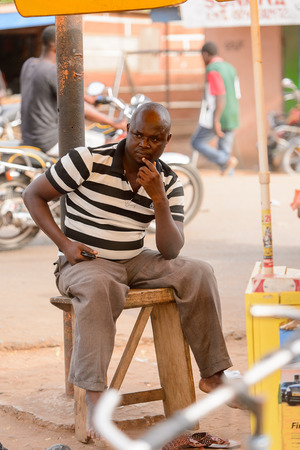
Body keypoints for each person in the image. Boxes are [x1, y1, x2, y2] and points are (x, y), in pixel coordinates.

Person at [23, 102, 237, 440]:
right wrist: (64, 244)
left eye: (154, 139)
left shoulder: (167, 179)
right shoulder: (87, 160)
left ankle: (214, 374)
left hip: (135, 259)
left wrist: (159, 199)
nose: (143, 145)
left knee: (198, 272)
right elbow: (33, 194)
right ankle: (96, 402)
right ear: (127, 129)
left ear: (167, 140)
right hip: (86, 262)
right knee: (98, 287)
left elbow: (170, 250)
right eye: (137, 135)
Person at [20, 25, 127, 155]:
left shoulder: (30, 64)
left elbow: (64, 92)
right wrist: (114, 122)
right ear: (56, 45)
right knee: (109, 144)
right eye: (67, 44)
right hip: (49, 140)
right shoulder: (53, 72)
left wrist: (87, 98)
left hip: (30, 139)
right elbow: (78, 108)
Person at [191, 41, 241, 175]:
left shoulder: (212, 69)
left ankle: (226, 160)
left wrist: (216, 119)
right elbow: (237, 94)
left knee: (196, 142)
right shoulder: (231, 68)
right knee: (225, 148)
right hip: (233, 113)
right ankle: (229, 176)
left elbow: (220, 94)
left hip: (219, 113)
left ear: (205, 54)